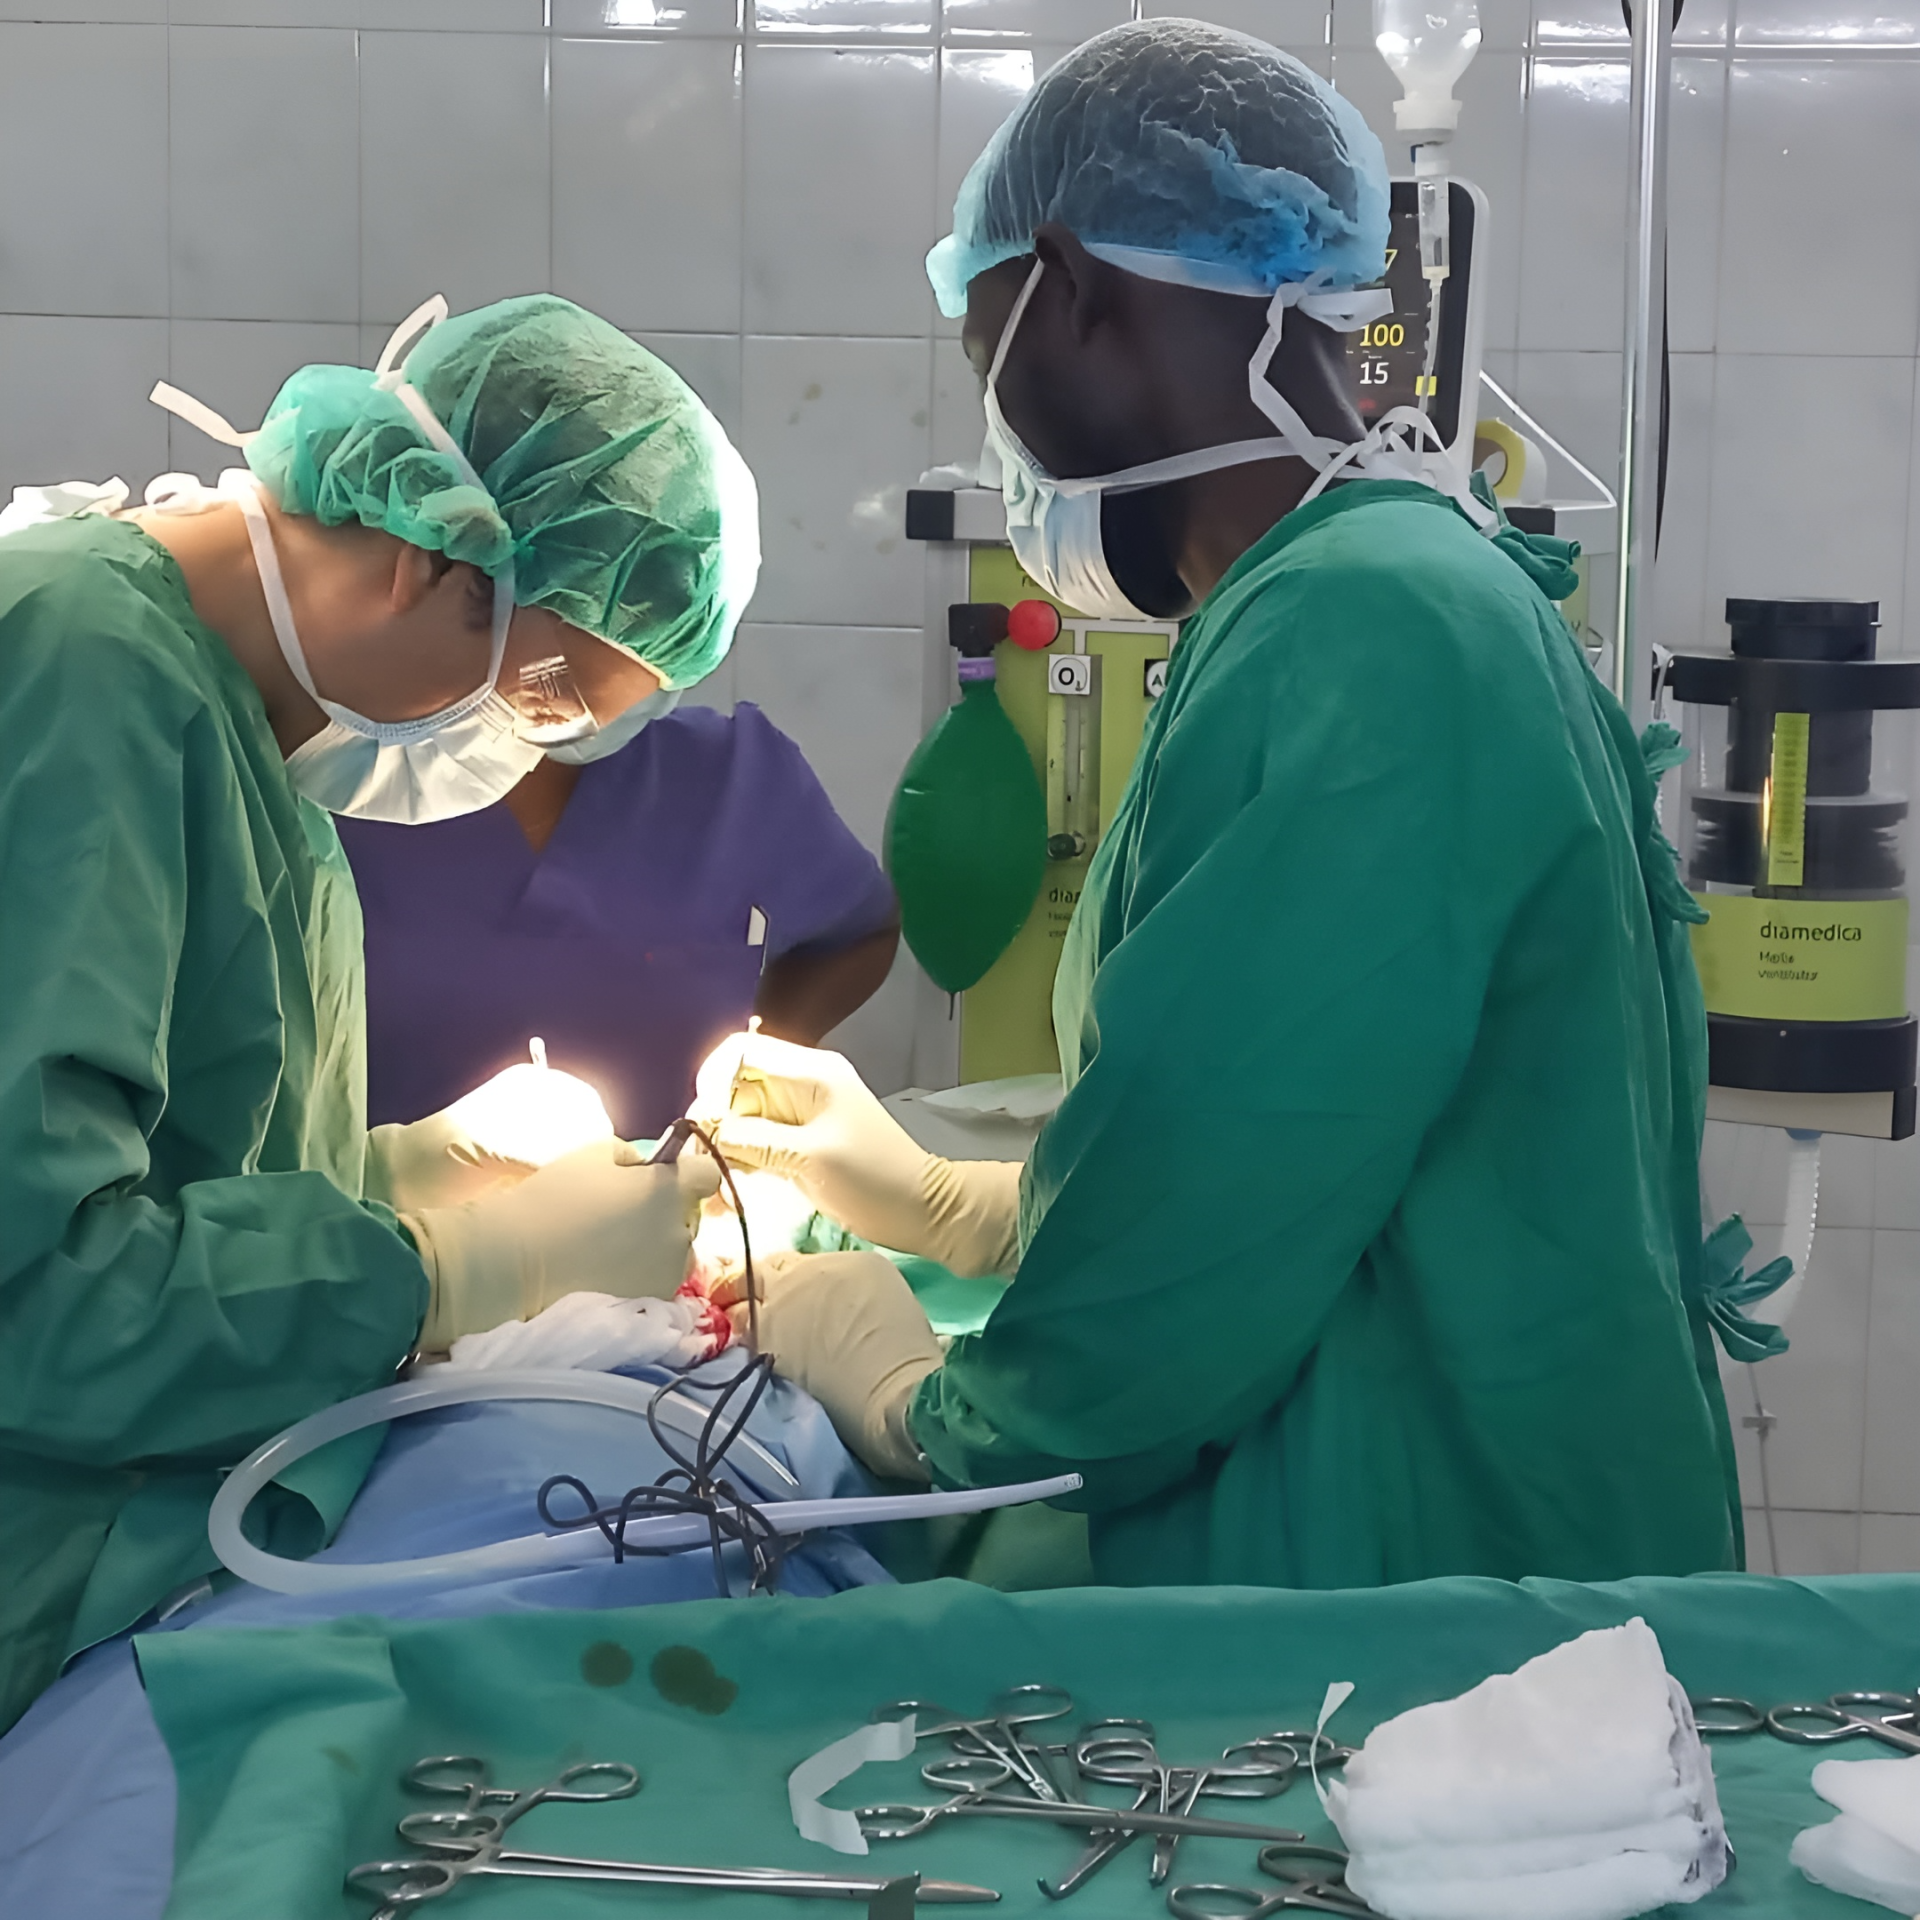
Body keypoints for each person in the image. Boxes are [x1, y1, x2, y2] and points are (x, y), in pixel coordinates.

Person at [693, 20, 1744, 1591]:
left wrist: (923, 1408)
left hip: (1419, 1591)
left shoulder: (1356, 630)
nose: (994, 421)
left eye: (986, 352)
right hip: (1460, 1539)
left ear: (1076, 293)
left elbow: (1202, 1251)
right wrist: (951, 1205)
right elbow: (1282, 1140)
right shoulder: (1358, 591)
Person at [0, 294, 754, 1734]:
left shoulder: (228, 718)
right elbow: (35, 1297)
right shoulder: (75, 673)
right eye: (547, 691)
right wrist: (430, 1270)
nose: (529, 746)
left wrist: (413, 1174)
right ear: (427, 553)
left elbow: (172, 1172)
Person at [337, 698, 899, 1141]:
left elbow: (856, 932)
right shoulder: (336, 785)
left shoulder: (727, 772)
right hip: (380, 1248)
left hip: (673, 1249)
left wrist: (760, 1071)